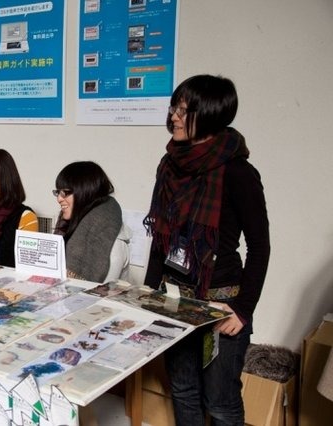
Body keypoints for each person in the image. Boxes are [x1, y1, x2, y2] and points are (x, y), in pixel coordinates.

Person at [143, 74, 270, 425]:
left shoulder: (238, 173)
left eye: (185, 110)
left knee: (221, 402)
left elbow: (260, 246)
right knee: (183, 390)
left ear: (211, 114)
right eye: (174, 108)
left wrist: (242, 310)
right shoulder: (169, 165)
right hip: (175, 299)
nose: (174, 117)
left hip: (221, 303)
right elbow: (161, 235)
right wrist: (149, 295)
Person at [53, 161, 130, 283]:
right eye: (58, 192)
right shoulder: (68, 224)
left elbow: (99, 296)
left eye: (65, 192)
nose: (59, 199)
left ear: (85, 193)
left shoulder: (112, 243)